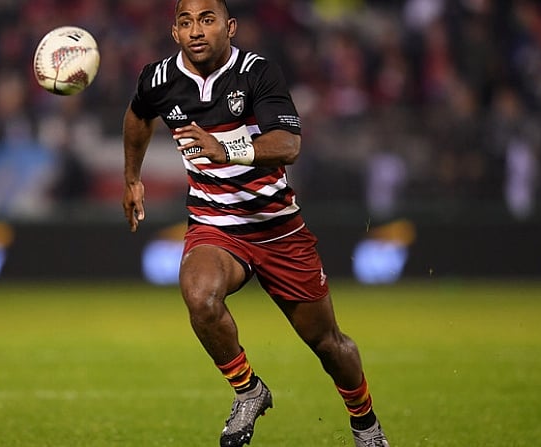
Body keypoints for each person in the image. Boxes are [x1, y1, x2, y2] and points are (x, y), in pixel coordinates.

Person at [121, 1, 390, 446]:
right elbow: (137, 116)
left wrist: (229, 150)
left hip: (277, 228)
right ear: (174, 32)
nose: (196, 31)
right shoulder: (158, 78)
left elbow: (289, 143)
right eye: (186, 22)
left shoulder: (258, 72)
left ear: (230, 27)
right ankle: (249, 390)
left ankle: (366, 423)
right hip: (216, 223)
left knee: (328, 345)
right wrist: (132, 178)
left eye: (207, 20)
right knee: (199, 296)